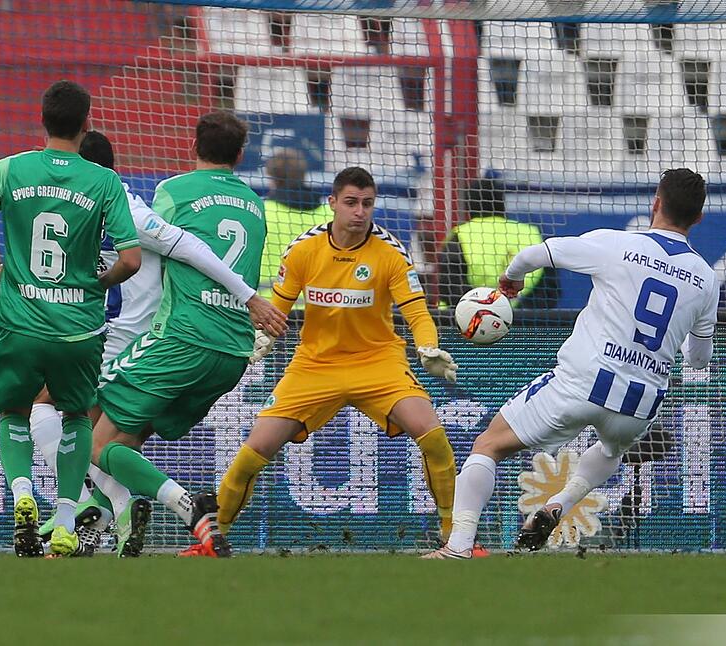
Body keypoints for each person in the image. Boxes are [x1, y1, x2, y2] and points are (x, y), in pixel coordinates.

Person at [424, 168, 718, 559]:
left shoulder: (617, 244)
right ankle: (559, 503)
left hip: (583, 382)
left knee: (488, 444)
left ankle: (459, 545)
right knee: (610, 452)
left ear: (657, 203)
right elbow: (699, 358)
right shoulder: (706, 279)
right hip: (640, 403)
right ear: (698, 217)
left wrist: (511, 280)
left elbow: (534, 255)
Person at [17, 131, 286, 557]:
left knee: (54, 411)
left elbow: (190, 247)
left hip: (134, 342)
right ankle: (100, 521)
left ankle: (112, 506)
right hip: (192, 343)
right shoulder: (89, 207)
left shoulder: (131, 209)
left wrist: (249, 297)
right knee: (115, 442)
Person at [0, 80, 142, 557]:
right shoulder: (104, 181)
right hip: (78, 329)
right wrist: (98, 283)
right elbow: (131, 260)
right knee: (76, 416)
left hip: (19, 323)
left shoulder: (9, 169)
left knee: (14, 411)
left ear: (42, 120)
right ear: (87, 122)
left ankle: (22, 494)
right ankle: (67, 521)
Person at [217, 166, 461, 547]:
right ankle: (214, 537)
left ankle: (454, 537)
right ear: (332, 202)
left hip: (378, 363)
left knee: (432, 435)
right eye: (351, 202)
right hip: (315, 365)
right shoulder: (304, 250)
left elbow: (417, 313)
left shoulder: (391, 252)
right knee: (255, 450)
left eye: (367, 203)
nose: (360, 212)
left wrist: (427, 346)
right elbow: (277, 308)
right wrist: (264, 336)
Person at [89, 111, 268, 559]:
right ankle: (105, 524)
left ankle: (188, 506)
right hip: (234, 351)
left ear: (193, 147)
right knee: (124, 443)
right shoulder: (255, 203)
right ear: (240, 155)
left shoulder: (172, 191)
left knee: (89, 430)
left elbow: (165, 244)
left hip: (182, 339)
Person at [439, 178, 559, 309]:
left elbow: (449, 287)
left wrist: (483, 310)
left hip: (466, 318)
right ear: (501, 202)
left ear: (469, 205)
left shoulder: (461, 235)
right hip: (524, 318)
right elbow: (548, 291)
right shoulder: (529, 234)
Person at [259, 149, 333, 295]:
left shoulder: (262, 212)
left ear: (272, 178)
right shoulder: (331, 215)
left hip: (269, 305)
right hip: (318, 304)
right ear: (303, 175)